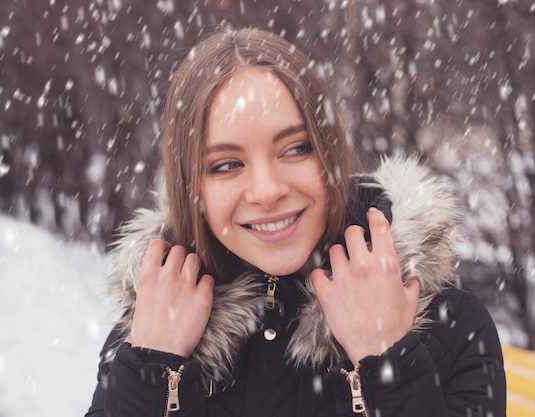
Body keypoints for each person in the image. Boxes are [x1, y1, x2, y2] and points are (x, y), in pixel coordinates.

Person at [85, 27, 506, 417]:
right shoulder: (147, 331)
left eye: (295, 149)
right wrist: (152, 370)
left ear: (330, 153)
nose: (267, 191)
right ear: (191, 190)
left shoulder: (449, 324)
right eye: (227, 164)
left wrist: (387, 360)